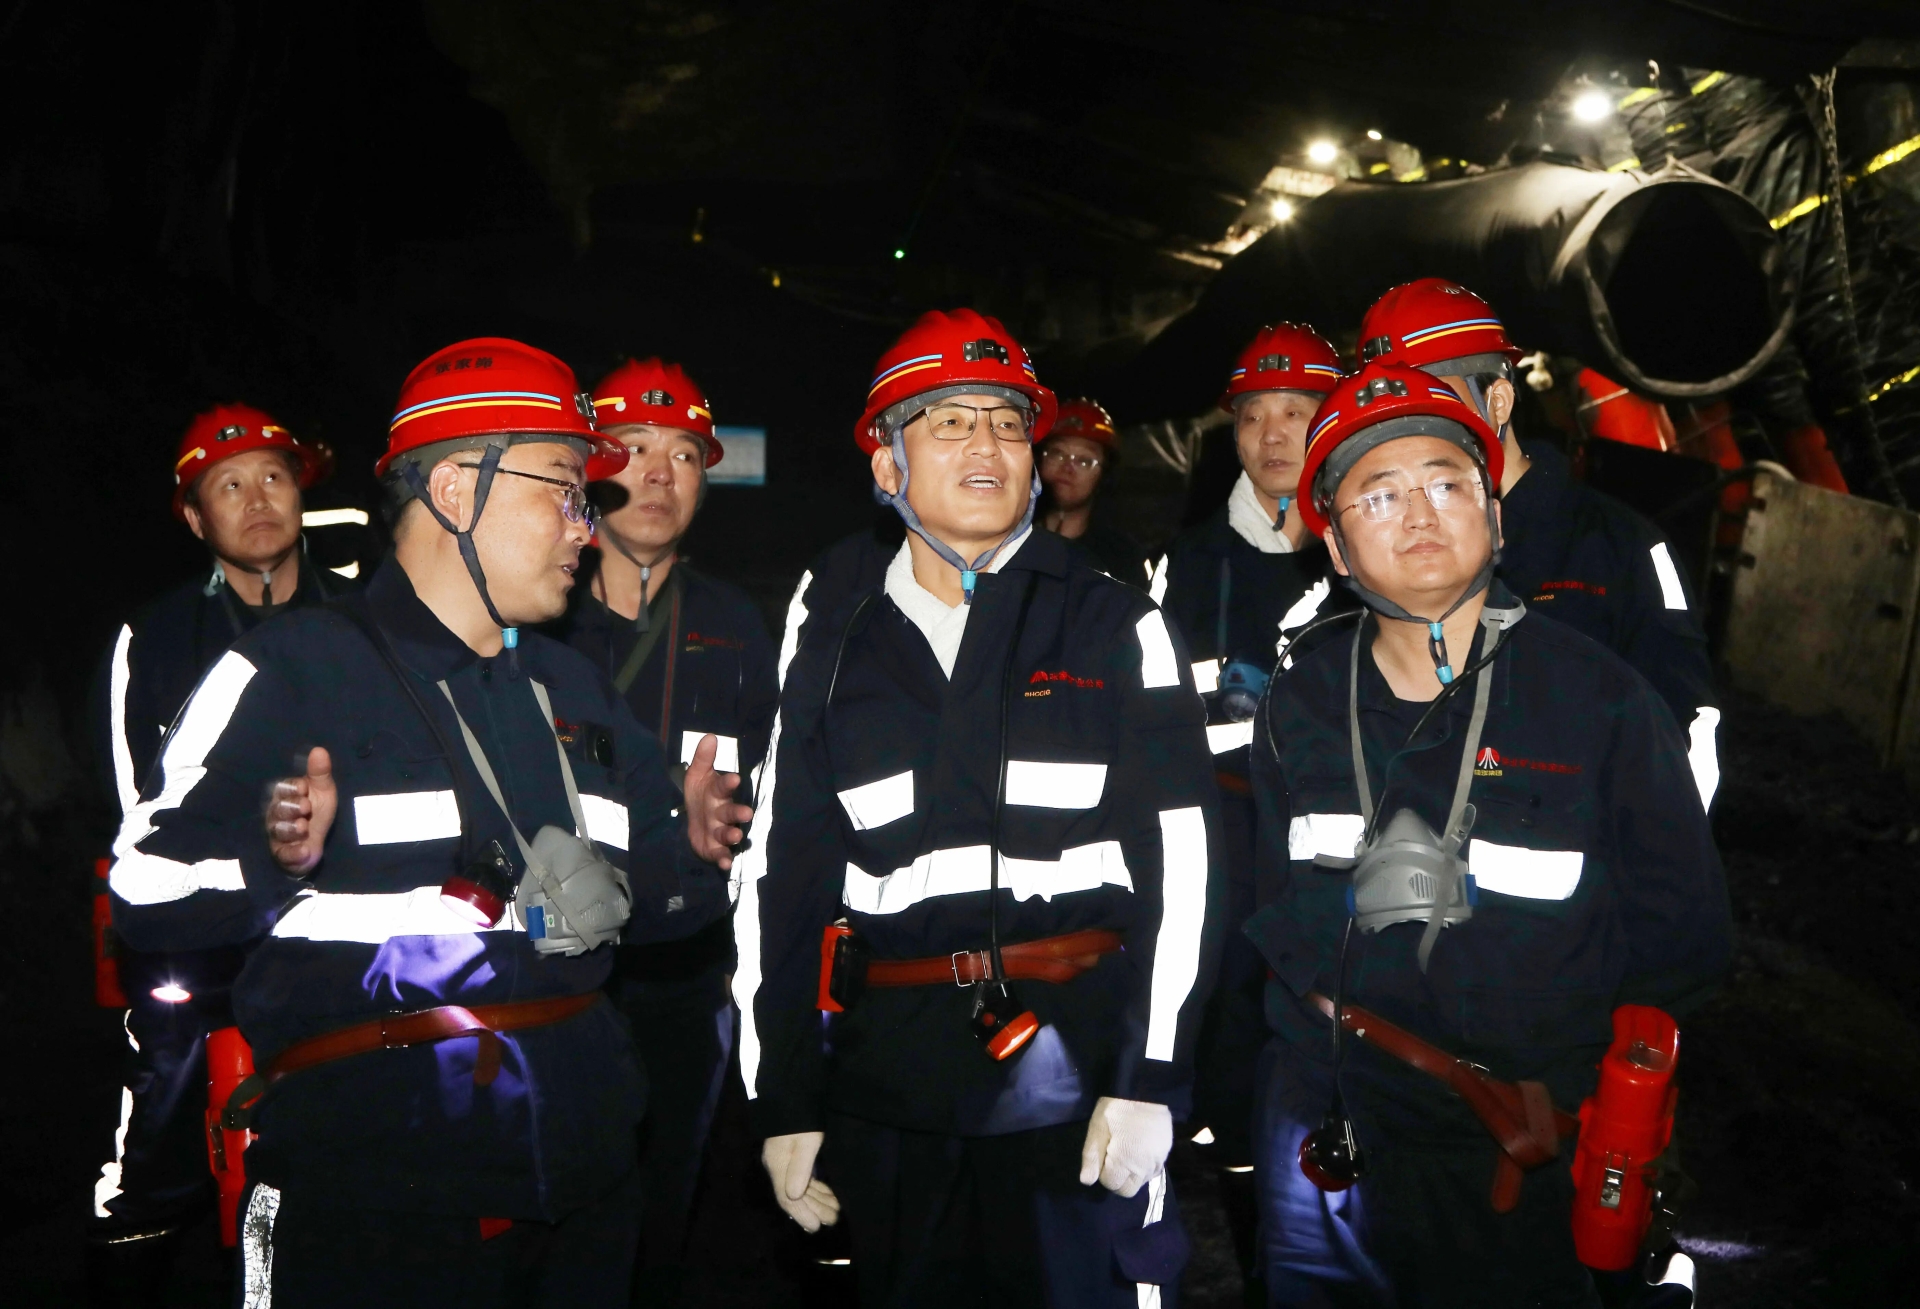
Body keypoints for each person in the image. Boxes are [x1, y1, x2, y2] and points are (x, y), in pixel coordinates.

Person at [108, 337, 752, 1309]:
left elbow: (659, 910)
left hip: (581, 1200)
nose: (586, 527)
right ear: (456, 491)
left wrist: (695, 855)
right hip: (371, 1210)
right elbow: (142, 890)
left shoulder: (572, 687)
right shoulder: (289, 670)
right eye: (565, 490)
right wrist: (276, 858)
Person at [735, 309, 1223, 1307]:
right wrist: (785, 1095)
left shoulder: (1113, 622)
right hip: (889, 1091)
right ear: (888, 464)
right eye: (950, 422)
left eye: (1007, 423)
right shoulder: (837, 642)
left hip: (1077, 1083)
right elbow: (781, 874)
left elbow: (1187, 865)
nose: (987, 444)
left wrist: (1150, 1075)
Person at [1245, 360, 1732, 1305]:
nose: (1418, 513)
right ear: (1335, 546)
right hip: (1325, 1126)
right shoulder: (1296, 704)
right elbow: (1269, 906)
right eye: (1377, 494)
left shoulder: (1602, 703)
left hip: (1520, 1144)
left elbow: (1683, 942)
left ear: (1495, 516)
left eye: (1446, 483)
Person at [86, 403, 340, 1296]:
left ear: (301, 491)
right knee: (160, 1113)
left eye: (272, 475)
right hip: (199, 938)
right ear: (196, 518)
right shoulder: (153, 638)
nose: (257, 498)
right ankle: (127, 1256)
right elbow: (133, 807)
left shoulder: (360, 620)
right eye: (228, 485)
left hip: (335, 938)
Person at [551, 356, 777, 1296]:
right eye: (634, 448)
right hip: (561, 968)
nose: (658, 474)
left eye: (683, 455)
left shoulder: (737, 621)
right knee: (564, 1216)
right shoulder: (541, 615)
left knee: (670, 1213)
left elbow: (772, 788)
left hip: (689, 964)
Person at [1358, 279, 1722, 807]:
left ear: (1497, 400)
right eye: (1389, 411)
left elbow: (1685, 745)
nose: (1406, 430)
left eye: (1432, 399)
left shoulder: (1623, 551)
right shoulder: (1375, 550)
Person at [1153, 325, 1348, 1243]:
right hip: (1226, 830)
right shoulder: (1190, 562)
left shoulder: (1373, 546)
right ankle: (1244, 1197)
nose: (1273, 435)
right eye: (1253, 416)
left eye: (1296, 413)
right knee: (1233, 1016)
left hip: (1340, 844)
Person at [1038, 397, 1149, 589]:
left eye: (1084, 461)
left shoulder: (1123, 558)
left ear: (1105, 475)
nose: (1067, 468)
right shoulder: (1005, 536)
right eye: (1057, 453)